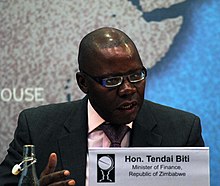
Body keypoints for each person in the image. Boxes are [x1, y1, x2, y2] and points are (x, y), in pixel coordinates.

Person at [0, 27, 204, 185]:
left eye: (136, 76)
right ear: (83, 83)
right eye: (112, 80)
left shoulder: (182, 131)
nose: (127, 89)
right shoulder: (37, 128)